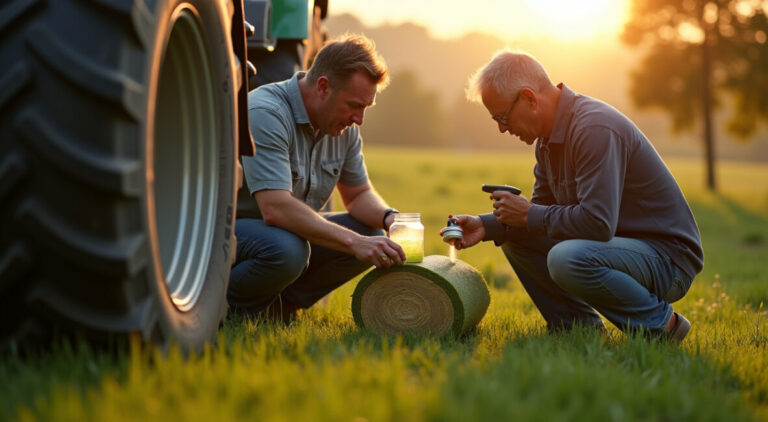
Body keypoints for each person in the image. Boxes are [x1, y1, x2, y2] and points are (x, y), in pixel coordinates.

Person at [445, 50, 703, 342]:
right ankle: (579, 330)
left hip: (667, 259)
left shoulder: (594, 128)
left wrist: (528, 214)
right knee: (516, 236)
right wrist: (486, 225)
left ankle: (662, 327)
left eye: (503, 118)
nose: (502, 129)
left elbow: (597, 222)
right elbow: (540, 216)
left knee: (565, 258)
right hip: (619, 248)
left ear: (530, 98)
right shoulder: (546, 142)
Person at [230, 34, 406, 321]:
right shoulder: (266, 113)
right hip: (231, 235)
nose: (359, 119)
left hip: (283, 235)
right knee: (288, 250)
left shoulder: (342, 127)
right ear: (323, 87)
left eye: (365, 108)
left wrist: (391, 219)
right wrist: (354, 243)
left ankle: (278, 307)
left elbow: (358, 195)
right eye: (354, 106)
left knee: (372, 233)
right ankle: (229, 311)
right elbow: (275, 208)